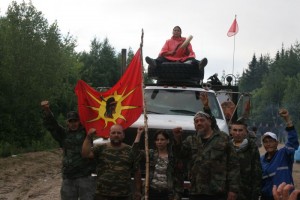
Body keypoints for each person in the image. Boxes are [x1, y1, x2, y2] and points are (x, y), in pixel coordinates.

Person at [172, 109, 240, 199]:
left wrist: (233, 189)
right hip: (196, 191)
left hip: (217, 190)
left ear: (209, 122)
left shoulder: (223, 138)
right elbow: (179, 155)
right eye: (196, 121)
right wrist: (177, 139)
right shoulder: (191, 140)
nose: (199, 123)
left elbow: (233, 165)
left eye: (202, 120)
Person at [41, 100, 96, 200]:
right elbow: (53, 125)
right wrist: (47, 111)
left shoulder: (86, 132)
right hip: (69, 177)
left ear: (79, 121)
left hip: (85, 176)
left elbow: (97, 121)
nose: (73, 123)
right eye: (71, 121)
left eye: (75, 121)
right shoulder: (63, 135)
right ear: (67, 122)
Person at [82, 124, 142, 200]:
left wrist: (137, 191)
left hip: (124, 195)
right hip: (102, 194)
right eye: (113, 133)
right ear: (109, 135)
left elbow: (137, 171)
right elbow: (85, 154)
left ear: (123, 135)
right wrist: (88, 136)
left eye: (119, 133)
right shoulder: (101, 148)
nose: (116, 135)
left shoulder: (130, 151)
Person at [134, 127, 183, 200]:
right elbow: (134, 153)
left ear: (168, 141)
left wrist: (177, 195)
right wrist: (139, 134)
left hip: (168, 194)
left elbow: (179, 177)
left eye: (162, 139)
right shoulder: (150, 154)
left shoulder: (173, 157)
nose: (159, 142)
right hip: (151, 193)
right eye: (157, 140)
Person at [260, 108, 299, 200]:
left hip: (285, 196)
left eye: (271, 141)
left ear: (277, 143)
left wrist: (287, 120)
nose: (268, 144)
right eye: (265, 142)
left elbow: (293, 142)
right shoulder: (261, 160)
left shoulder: (284, 154)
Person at [230, 120, 262, 200]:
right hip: (229, 192)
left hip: (246, 192)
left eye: (240, 130)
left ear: (245, 132)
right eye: (235, 130)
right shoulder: (226, 146)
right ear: (230, 131)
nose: (237, 133)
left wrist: (256, 192)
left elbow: (257, 171)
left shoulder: (252, 147)